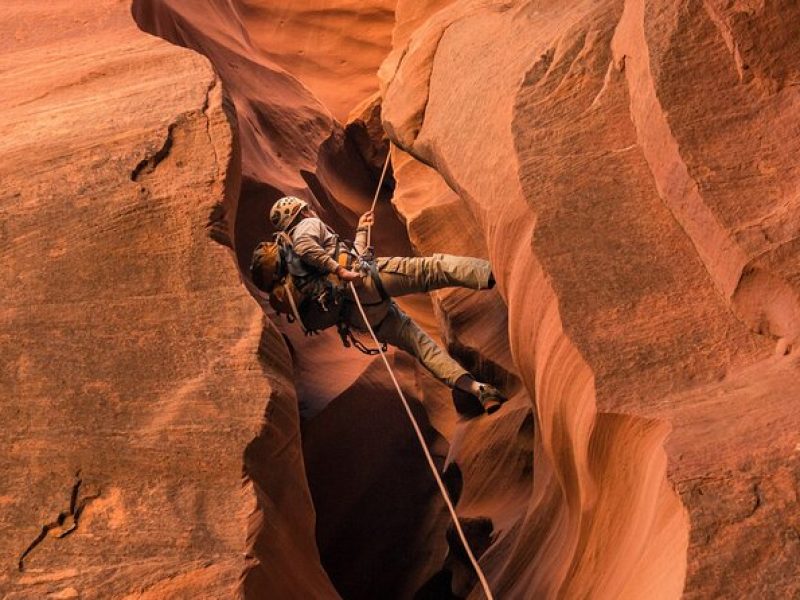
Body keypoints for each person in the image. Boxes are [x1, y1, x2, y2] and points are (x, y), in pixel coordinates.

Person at [258, 195, 507, 414]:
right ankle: (500, 273)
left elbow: (350, 255)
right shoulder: (306, 226)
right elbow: (312, 251)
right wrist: (340, 271)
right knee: (433, 269)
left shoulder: (297, 271)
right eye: (307, 208)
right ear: (300, 212)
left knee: (421, 348)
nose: (310, 210)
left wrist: (361, 231)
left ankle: (480, 391)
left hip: (358, 314)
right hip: (365, 282)